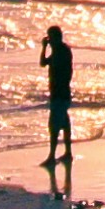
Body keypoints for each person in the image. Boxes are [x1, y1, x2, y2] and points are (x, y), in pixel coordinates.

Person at [38, 26, 75, 167]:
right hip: (60, 93)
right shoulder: (58, 50)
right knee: (64, 123)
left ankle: (52, 156)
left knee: (54, 125)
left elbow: (61, 71)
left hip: (60, 93)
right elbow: (42, 63)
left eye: (50, 37)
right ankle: (68, 152)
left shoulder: (62, 51)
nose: (49, 40)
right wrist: (44, 48)